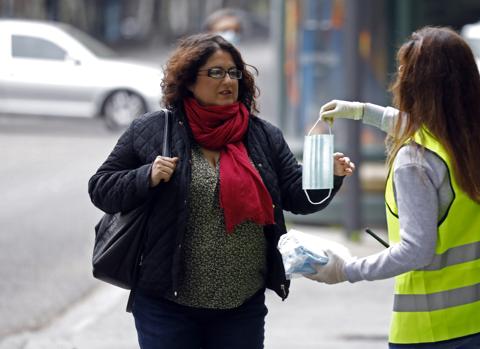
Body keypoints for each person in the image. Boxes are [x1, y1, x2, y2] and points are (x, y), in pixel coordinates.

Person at [88, 33, 355, 349]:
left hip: (241, 306)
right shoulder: (153, 129)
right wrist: (146, 175)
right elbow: (101, 187)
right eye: (215, 72)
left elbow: (298, 197)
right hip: (166, 305)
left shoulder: (262, 136)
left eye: (233, 73)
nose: (228, 80)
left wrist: (330, 176)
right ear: (188, 81)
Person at [307, 27, 480, 348]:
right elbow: (429, 125)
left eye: (405, 70)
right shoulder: (479, 141)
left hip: (433, 327)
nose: (399, 76)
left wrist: (346, 269)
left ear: (417, 85)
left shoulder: (414, 161)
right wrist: (363, 111)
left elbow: (415, 251)